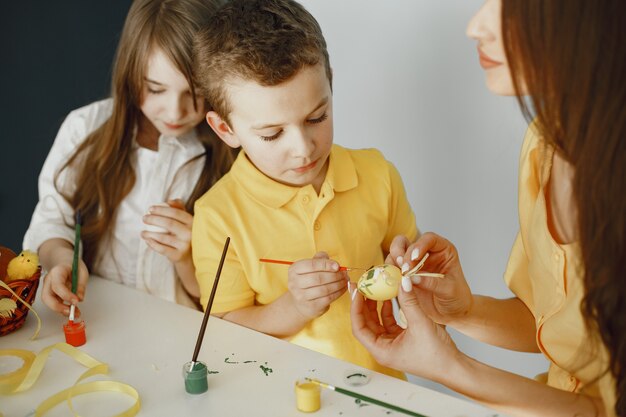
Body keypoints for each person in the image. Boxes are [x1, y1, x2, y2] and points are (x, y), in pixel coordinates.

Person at [351, 0, 625, 416]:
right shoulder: (545, 147)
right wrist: (462, 310)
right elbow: (561, 327)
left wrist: (448, 366)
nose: (475, 26)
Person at [191, 0, 418, 377]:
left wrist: (408, 267)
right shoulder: (217, 216)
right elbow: (222, 329)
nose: (303, 148)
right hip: (280, 395)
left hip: (382, 387)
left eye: (317, 117)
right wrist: (293, 308)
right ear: (225, 130)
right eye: (272, 133)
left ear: (330, 81)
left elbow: (407, 256)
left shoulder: (377, 174)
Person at [23, 0, 236, 314]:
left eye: (194, 92)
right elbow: (52, 221)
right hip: (94, 315)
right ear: (130, 73)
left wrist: (190, 256)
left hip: (178, 327)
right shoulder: (85, 128)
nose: (175, 112)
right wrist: (60, 262)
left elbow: (224, 294)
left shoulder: (229, 154)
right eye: (156, 89)